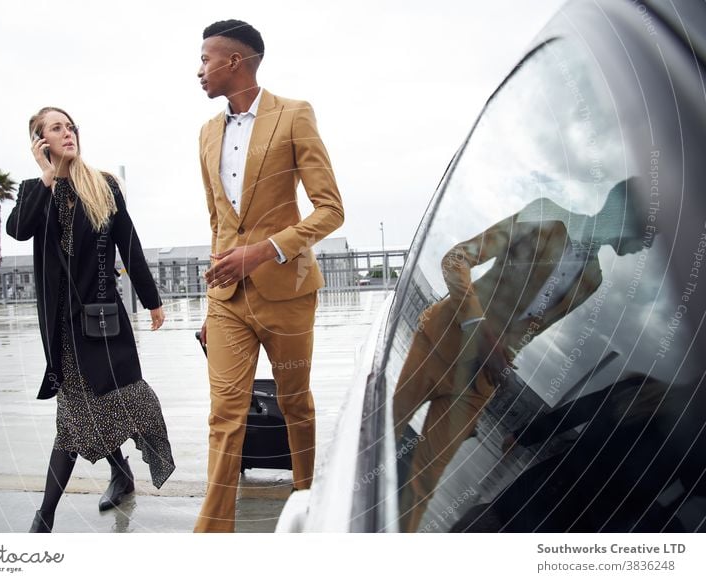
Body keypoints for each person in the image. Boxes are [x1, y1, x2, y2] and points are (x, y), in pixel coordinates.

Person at [394, 178, 645, 532]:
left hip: (481, 380)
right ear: (625, 213)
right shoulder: (546, 215)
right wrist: (479, 329)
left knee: (422, 485)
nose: (645, 245)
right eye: (649, 230)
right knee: (379, 439)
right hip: (442, 341)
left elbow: (528, 329)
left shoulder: (593, 279)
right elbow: (456, 260)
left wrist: (504, 357)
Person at [194, 20, 344, 532]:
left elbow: (329, 211)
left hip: (287, 292)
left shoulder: (294, 115)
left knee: (294, 405)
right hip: (227, 298)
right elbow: (218, 223)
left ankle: (308, 511)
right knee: (224, 416)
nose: (199, 71)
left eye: (206, 59)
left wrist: (263, 252)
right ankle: (211, 537)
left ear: (235, 61)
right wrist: (209, 307)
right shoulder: (207, 132)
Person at [6, 106, 175, 533]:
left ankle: (47, 517)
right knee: (78, 415)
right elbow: (17, 229)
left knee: (113, 401)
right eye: (56, 129)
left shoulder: (103, 186)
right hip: (62, 329)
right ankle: (102, 482)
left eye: (70, 126)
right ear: (40, 141)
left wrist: (152, 300)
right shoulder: (37, 190)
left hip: (102, 321)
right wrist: (45, 174)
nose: (68, 133)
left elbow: (129, 245)